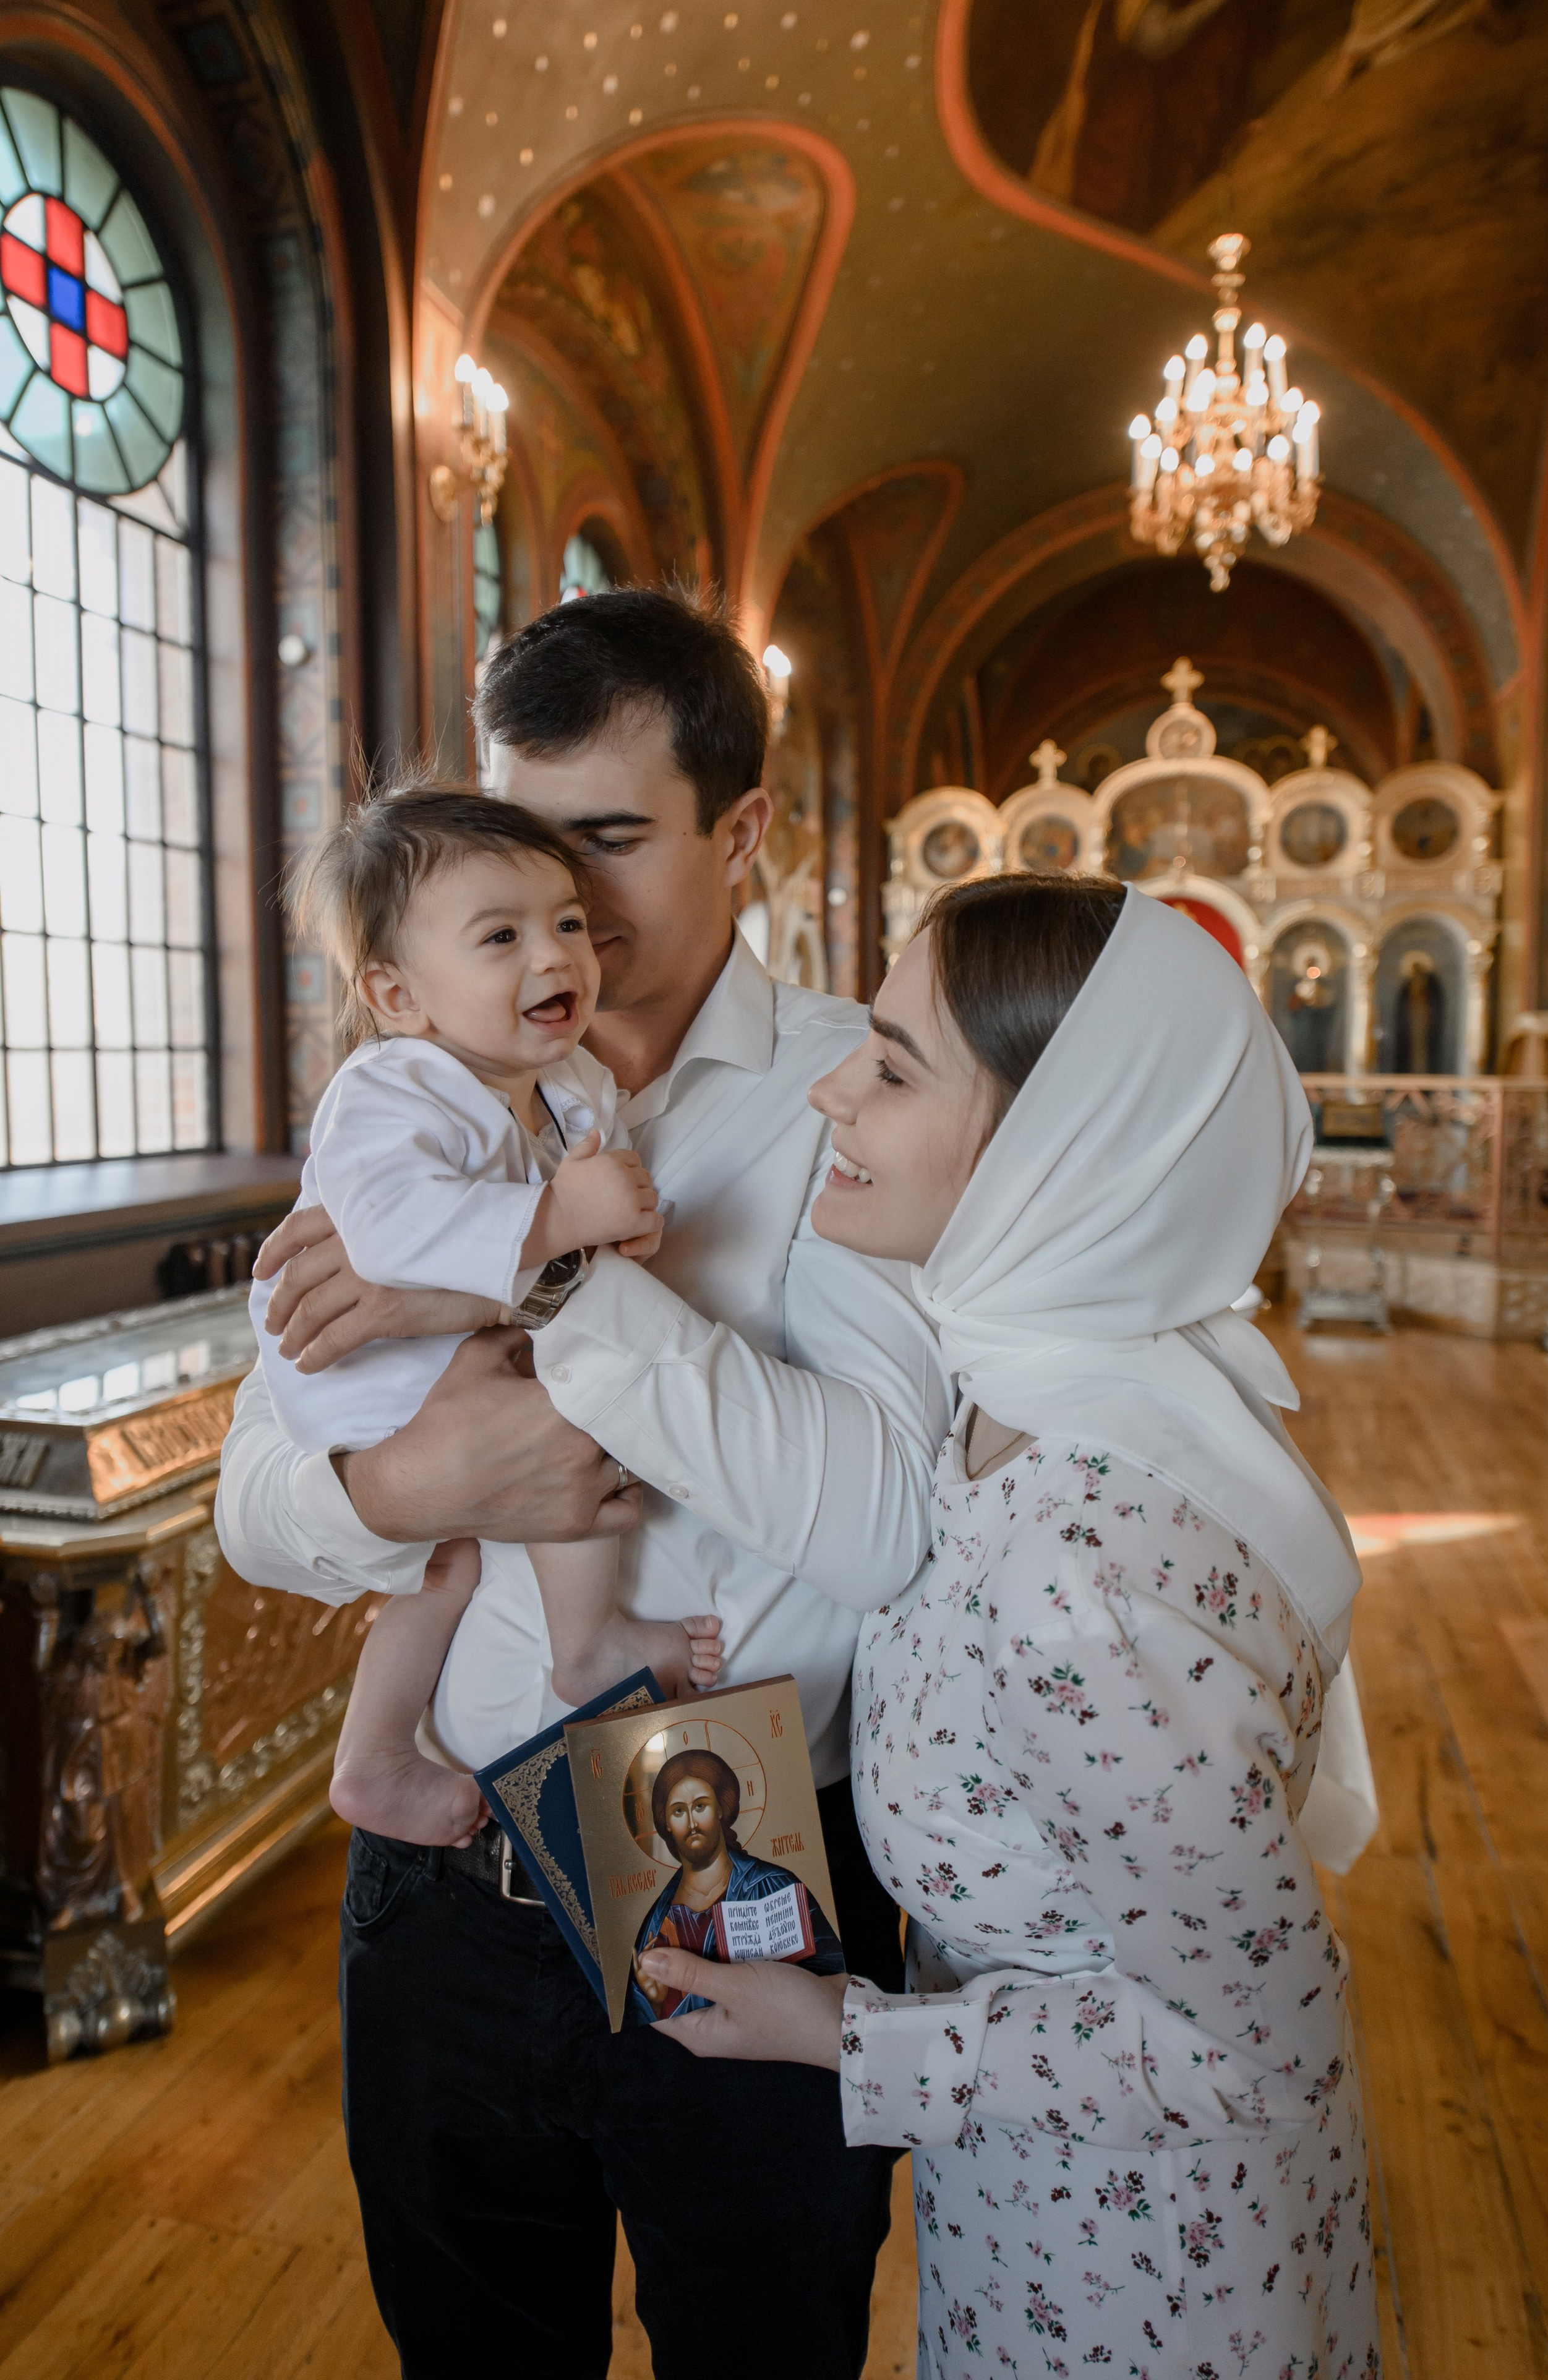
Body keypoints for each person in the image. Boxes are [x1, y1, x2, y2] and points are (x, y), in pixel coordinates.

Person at [215, 588, 951, 2379]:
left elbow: (882, 1519)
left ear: (744, 830)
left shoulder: (865, 1094)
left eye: (609, 842)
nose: (563, 911)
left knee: (758, 2352)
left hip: (731, 1851)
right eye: (527, 845)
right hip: (445, 1874)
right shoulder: (418, 1096)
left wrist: (526, 1273)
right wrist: (402, 1482)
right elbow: (261, 1499)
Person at [641, 876, 1382, 2380]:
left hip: (1147, 2280)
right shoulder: (1024, 1379)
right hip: (1047, 2208)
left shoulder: (1080, 1561)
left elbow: (1246, 2045)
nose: (830, 1085)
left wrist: (837, 2033)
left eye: (894, 1064)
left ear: (1053, 1145)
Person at [252, 785, 721, 1852]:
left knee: (447, 1565)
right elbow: (384, 1232)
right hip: (362, 1372)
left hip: (435, 1354)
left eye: (564, 921)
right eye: (500, 936)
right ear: (398, 993)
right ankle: (589, 1641)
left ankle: (372, 1754)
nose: (555, 954)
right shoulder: (391, 1088)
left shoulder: (565, 1080)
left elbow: (581, 1229)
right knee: (575, 1407)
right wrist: (562, 1218)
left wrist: (611, 1228)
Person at [628, 1749, 842, 2026]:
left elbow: (829, 1978)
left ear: (721, 1808)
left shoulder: (773, 1886)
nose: (692, 1823)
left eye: (701, 1806)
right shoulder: (656, 1920)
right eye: (679, 1811)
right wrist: (655, 2004)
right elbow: (642, 2023)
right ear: (667, 1823)